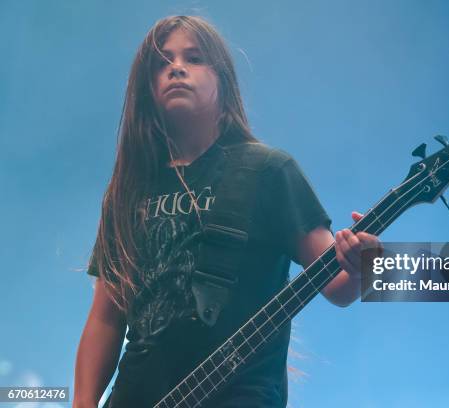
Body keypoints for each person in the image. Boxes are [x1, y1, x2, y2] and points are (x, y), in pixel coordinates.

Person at [73, 15, 379, 408]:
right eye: (162, 62)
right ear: (147, 87)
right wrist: (83, 403)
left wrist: (362, 264)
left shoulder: (267, 171)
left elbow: (337, 287)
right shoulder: (129, 190)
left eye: (194, 58)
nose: (176, 68)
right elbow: (106, 317)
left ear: (224, 81)